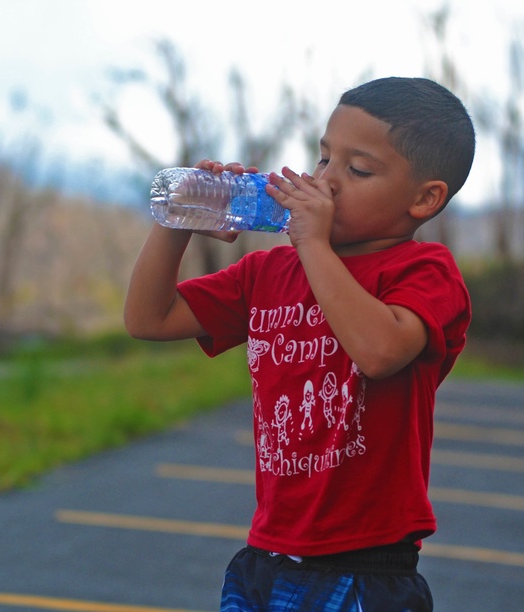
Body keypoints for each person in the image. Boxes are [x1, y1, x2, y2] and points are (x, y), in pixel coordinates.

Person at [123, 76, 476, 611]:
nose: (326, 182)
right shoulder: (268, 272)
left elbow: (379, 352)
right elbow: (148, 317)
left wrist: (312, 242)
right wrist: (181, 219)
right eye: (323, 159)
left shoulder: (424, 272)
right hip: (268, 549)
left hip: (364, 561)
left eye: (357, 170)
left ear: (424, 199)